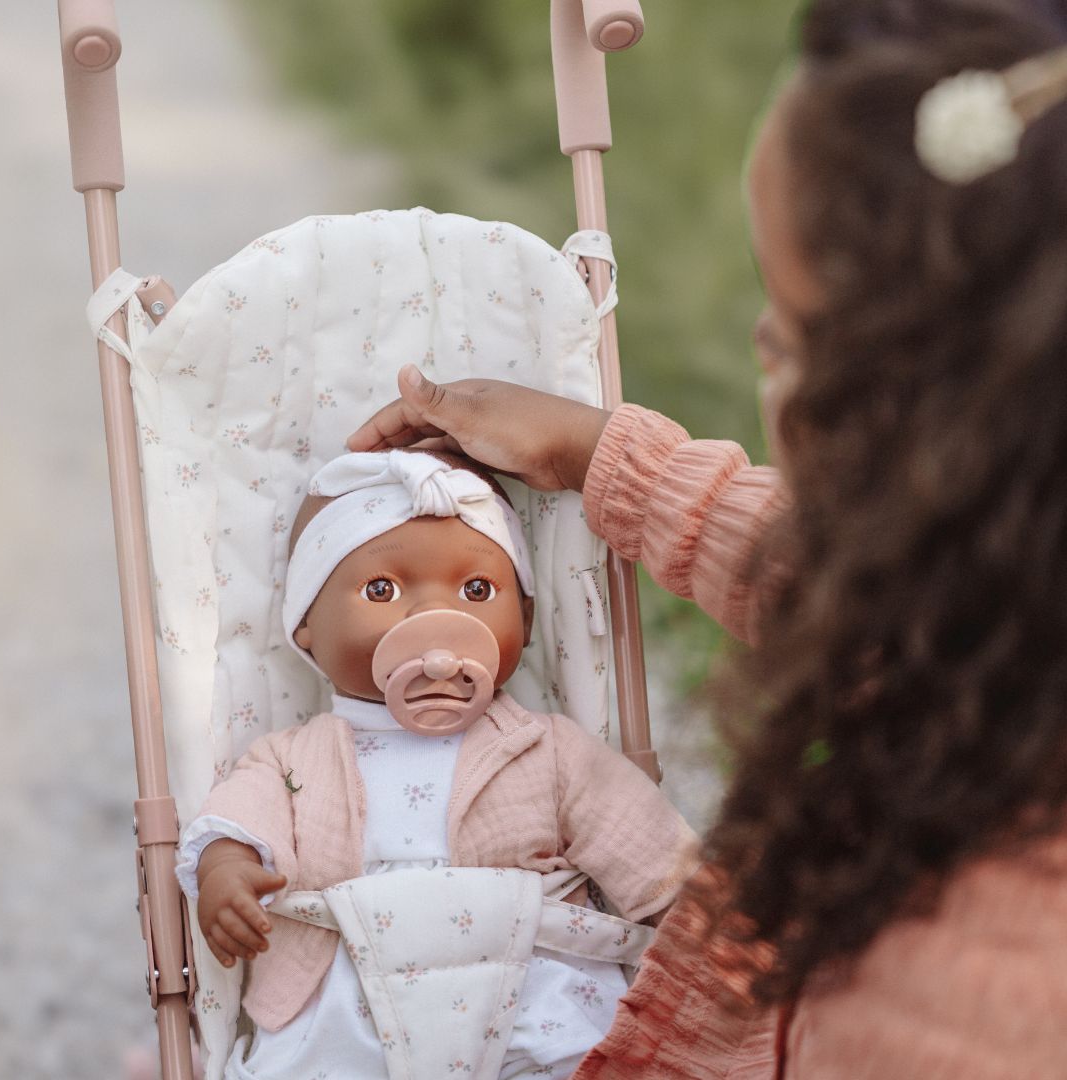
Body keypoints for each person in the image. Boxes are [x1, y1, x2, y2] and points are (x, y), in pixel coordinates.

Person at [347, 1, 1067, 1075]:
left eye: (787, 340)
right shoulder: (1002, 607)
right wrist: (604, 458)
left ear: (936, 416)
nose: (760, 354)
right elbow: (857, 585)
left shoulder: (956, 997)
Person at [176, 448, 699, 1080]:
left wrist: (704, 926)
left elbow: (649, 846)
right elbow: (238, 818)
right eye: (382, 589)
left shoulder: (547, 748)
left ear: (526, 619)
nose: (434, 617)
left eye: (476, 590)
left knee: (578, 1051)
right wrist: (226, 869)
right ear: (305, 624)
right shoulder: (291, 757)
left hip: (529, 991)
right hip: (348, 1002)